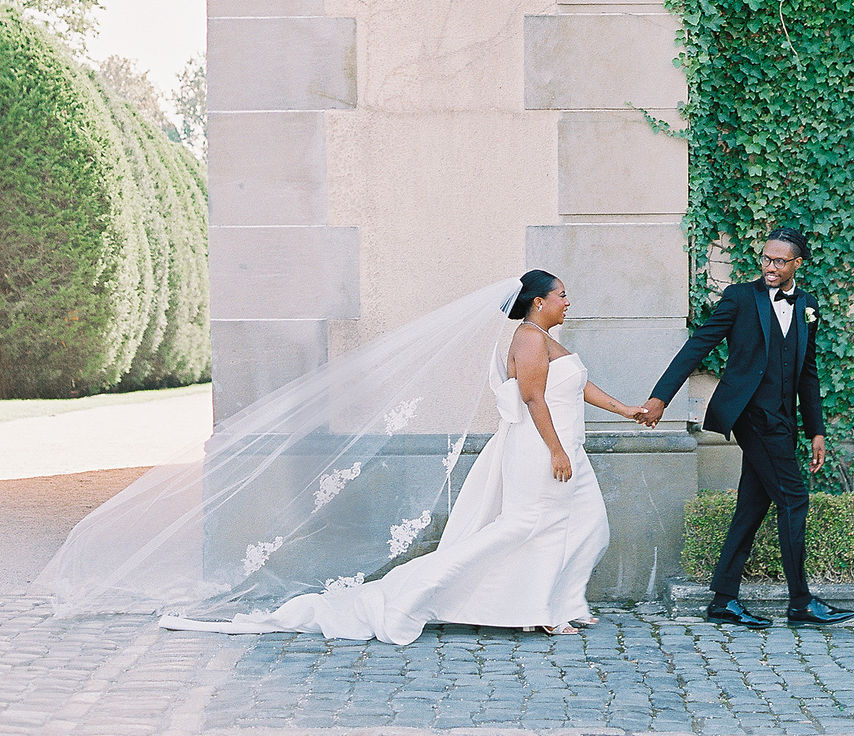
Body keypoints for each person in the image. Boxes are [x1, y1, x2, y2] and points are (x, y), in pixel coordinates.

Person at [161, 270, 645, 644]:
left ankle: (566, 598)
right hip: (543, 451)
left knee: (589, 524)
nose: (567, 301)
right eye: (561, 294)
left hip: (567, 451)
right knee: (524, 528)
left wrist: (625, 409)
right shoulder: (528, 338)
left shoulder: (550, 339)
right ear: (539, 302)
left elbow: (576, 387)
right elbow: (536, 399)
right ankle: (488, 604)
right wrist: (557, 450)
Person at [637, 227, 854, 628]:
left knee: (752, 507)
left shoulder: (808, 305)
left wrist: (816, 429)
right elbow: (697, 346)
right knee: (794, 499)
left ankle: (723, 599)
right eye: (766, 259)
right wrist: (660, 398)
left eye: (779, 261)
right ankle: (801, 603)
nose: (770, 267)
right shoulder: (740, 297)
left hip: (785, 420)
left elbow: (807, 371)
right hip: (753, 417)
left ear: (797, 264)